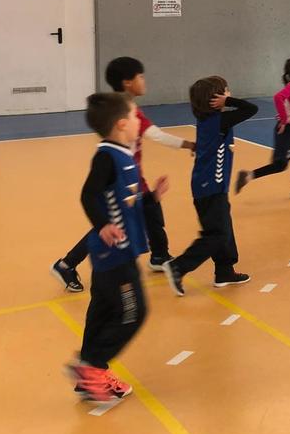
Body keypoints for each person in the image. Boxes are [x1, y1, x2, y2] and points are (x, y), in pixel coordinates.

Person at [51, 57, 193, 293]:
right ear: (128, 82)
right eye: (141, 77)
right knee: (115, 223)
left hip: (132, 175)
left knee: (147, 212)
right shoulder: (126, 111)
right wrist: (190, 144)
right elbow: (157, 135)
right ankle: (67, 263)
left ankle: (159, 254)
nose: (144, 81)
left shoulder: (121, 107)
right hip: (122, 178)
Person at [67, 92, 168, 401]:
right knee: (133, 312)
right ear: (122, 124)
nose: (140, 121)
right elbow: (88, 194)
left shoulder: (123, 155)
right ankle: (93, 369)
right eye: (136, 116)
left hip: (115, 253)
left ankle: (90, 373)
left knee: (102, 310)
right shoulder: (107, 156)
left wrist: (151, 199)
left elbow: (127, 200)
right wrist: (102, 225)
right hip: (114, 253)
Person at [163, 78, 256, 296]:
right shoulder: (219, 121)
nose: (229, 94)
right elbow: (251, 108)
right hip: (210, 188)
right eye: (225, 92)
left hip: (211, 187)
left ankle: (224, 271)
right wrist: (229, 101)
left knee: (224, 229)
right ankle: (178, 267)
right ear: (216, 99)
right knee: (217, 234)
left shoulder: (209, 120)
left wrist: (225, 101)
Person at [235, 58, 290, 199]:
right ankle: (248, 175)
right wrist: (283, 120)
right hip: (286, 130)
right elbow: (278, 97)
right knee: (280, 165)